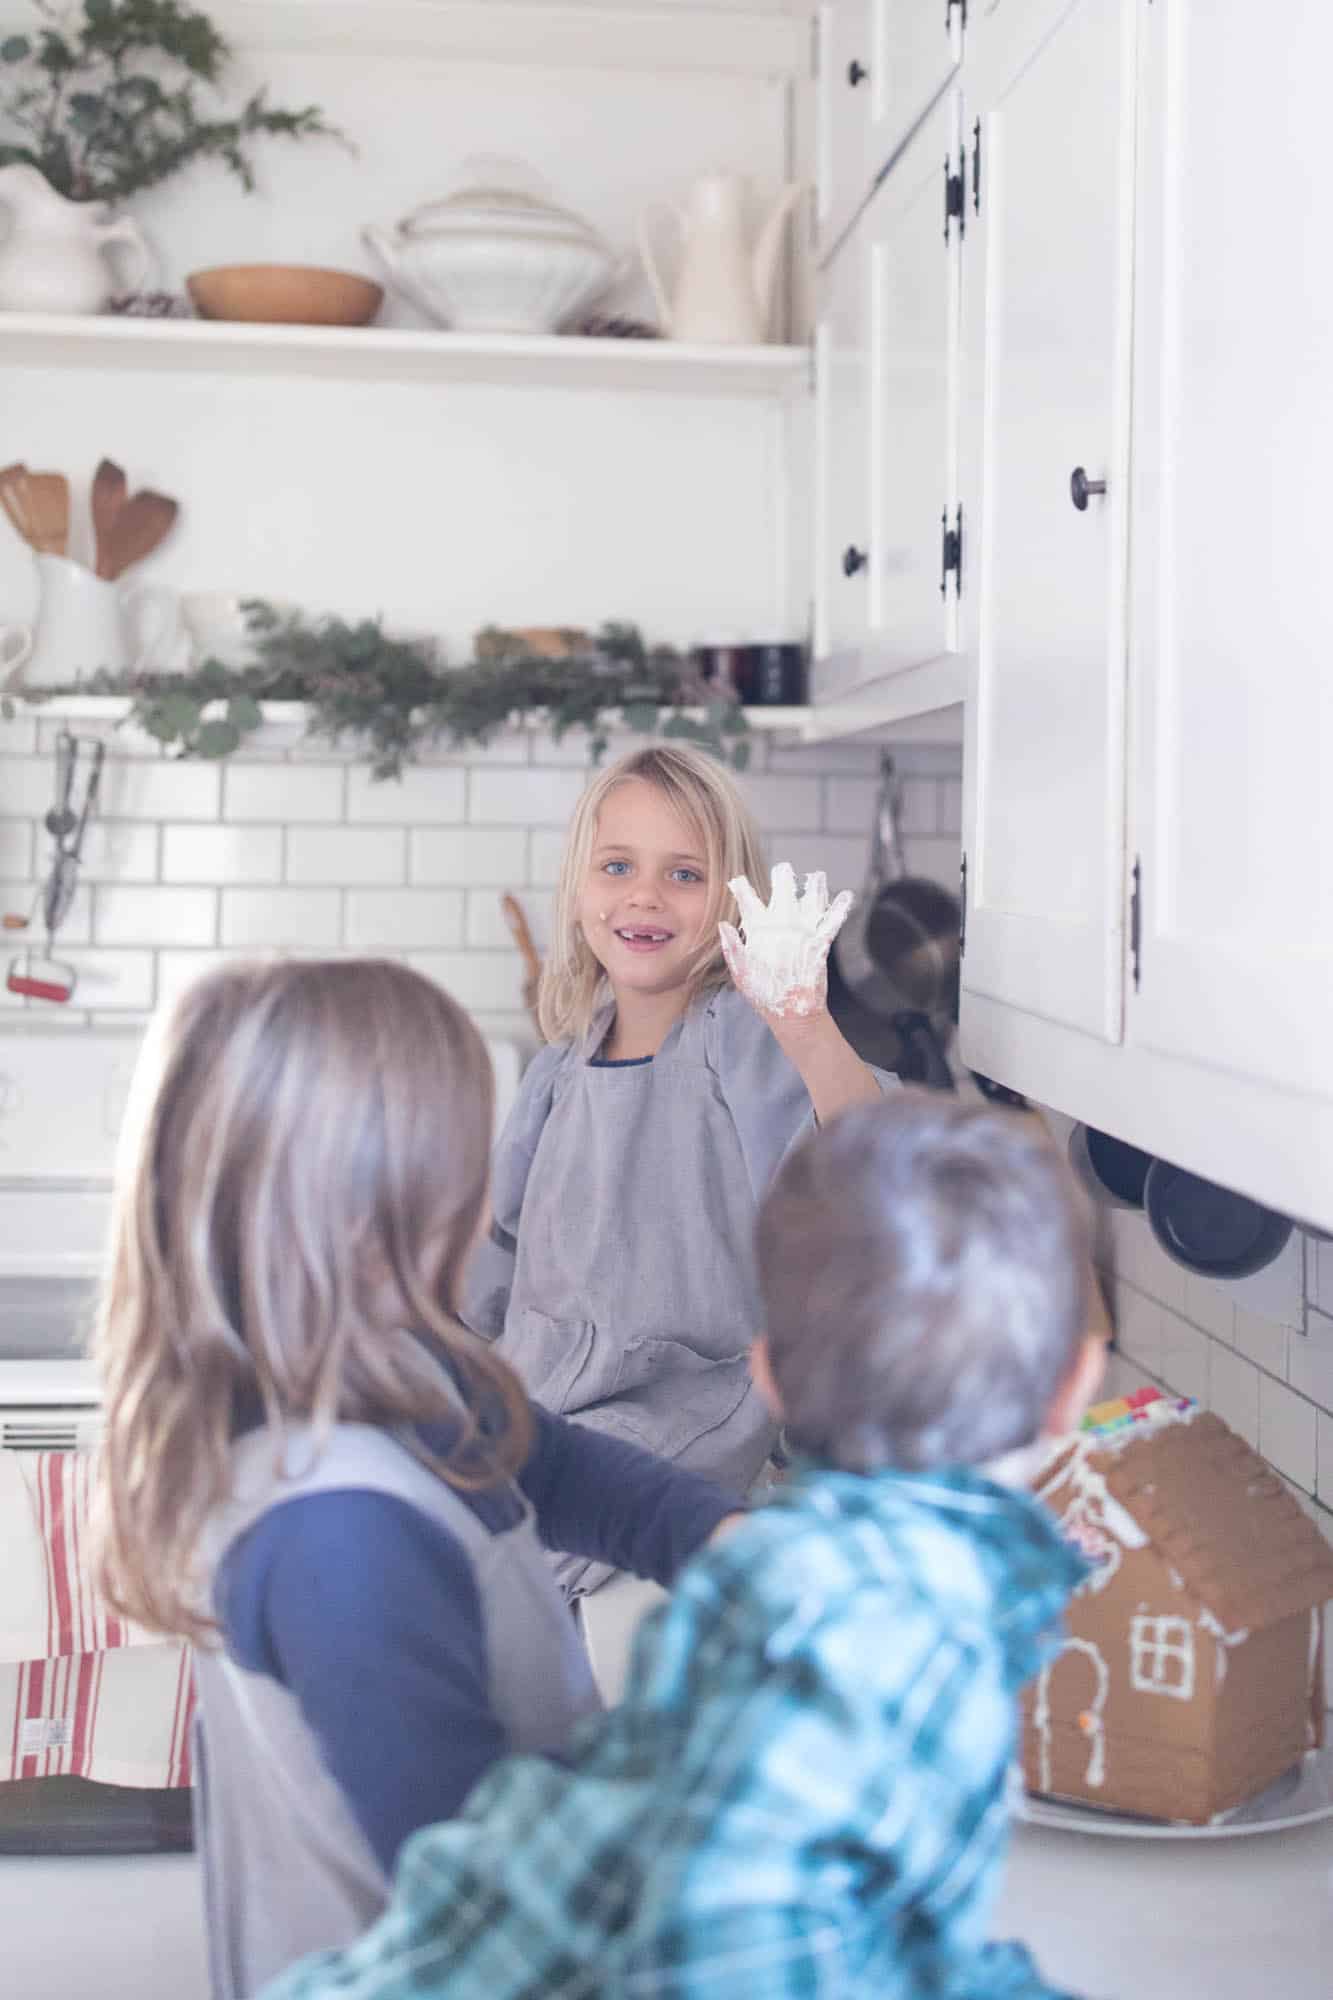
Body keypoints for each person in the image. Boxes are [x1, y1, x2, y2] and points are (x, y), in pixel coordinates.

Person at [259, 1091, 1106, 2000]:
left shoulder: (840, 1583)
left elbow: (872, 1913)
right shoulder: (877, 1614)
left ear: (765, 1376)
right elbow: (727, 1953)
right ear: (1074, 1384)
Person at [90, 958, 744, 2000]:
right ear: (368, 1200)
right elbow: (480, 1895)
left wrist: (740, 1547)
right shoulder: (338, 1532)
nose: (488, 1192)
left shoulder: (396, 1367)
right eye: (461, 1155)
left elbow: (579, 1474)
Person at [463, 742, 885, 1597]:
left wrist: (802, 1024)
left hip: (682, 1409)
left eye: (685, 875)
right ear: (579, 892)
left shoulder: (737, 1042)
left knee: (519, 1561)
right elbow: (492, 1269)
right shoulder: (555, 1074)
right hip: (538, 1403)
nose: (644, 896)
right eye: (616, 865)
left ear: (730, 900)